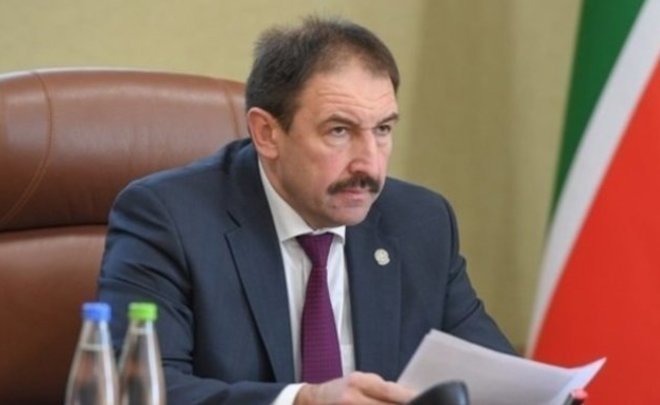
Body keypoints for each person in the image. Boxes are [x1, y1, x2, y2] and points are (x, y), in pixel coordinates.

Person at [98, 16, 515, 404]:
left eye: (383, 129)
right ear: (267, 133)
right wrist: (304, 400)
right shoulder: (169, 219)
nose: (370, 164)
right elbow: (139, 389)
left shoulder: (420, 222)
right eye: (339, 130)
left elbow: (500, 378)